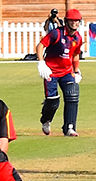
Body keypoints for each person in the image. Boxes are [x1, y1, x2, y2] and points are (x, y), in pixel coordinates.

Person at [36, 8, 85, 137]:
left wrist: (76, 71)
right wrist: (41, 62)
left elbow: (75, 55)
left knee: (72, 97)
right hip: (51, 71)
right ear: (66, 21)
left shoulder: (78, 38)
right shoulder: (56, 34)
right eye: (72, 21)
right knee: (53, 100)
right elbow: (41, 45)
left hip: (67, 71)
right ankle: (46, 120)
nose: (75, 23)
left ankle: (70, 128)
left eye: (77, 21)